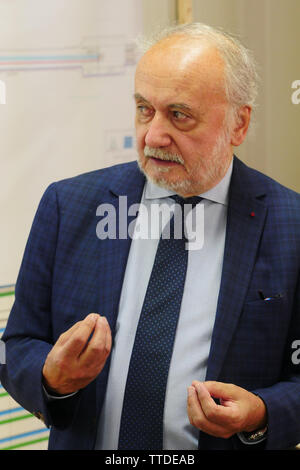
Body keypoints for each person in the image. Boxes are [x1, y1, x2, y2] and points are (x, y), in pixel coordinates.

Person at [0, 22, 300, 451]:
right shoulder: (70, 206)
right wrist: (51, 379)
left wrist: (262, 413)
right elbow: (18, 345)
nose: (154, 135)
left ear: (239, 124)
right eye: (144, 109)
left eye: (179, 115)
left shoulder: (290, 223)